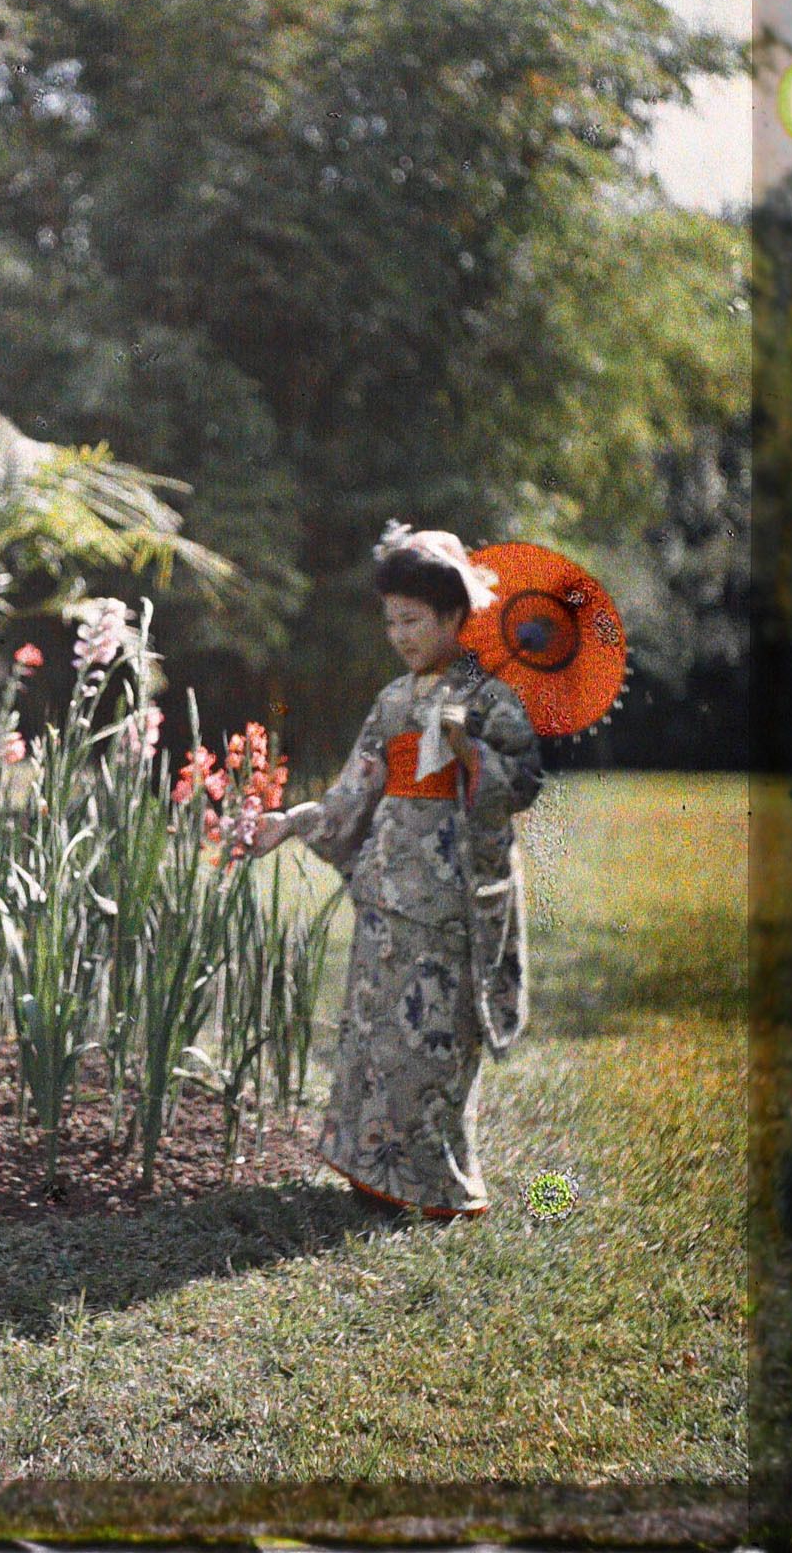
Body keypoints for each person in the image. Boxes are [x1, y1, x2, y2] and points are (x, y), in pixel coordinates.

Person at [251, 522, 542, 1219]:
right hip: (388, 884)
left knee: (435, 1037)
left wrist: (468, 753)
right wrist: (290, 821)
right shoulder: (389, 701)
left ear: (452, 616)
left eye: (413, 620)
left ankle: (436, 1184)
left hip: (451, 891)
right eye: (391, 622)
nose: (401, 635)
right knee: (376, 1032)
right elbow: (357, 788)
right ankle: (369, 1169)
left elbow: (521, 782)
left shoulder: (490, 695)